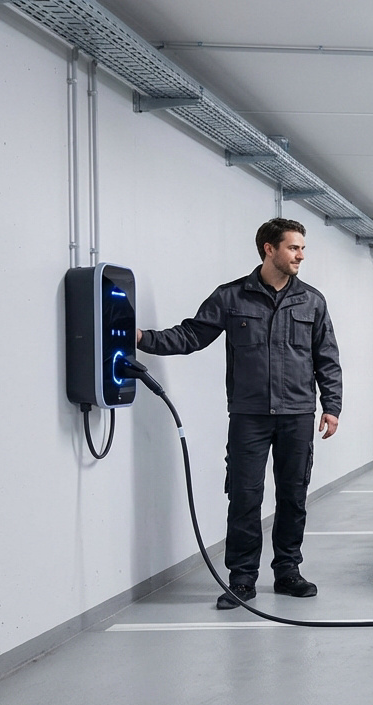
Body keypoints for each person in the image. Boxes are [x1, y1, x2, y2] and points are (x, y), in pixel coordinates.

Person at [137, 218, 342, 609]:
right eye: (293, 247)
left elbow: (326, 357)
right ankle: (242, 580)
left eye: (302, 248)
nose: (300, 255)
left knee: (293, 496)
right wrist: (144, 339)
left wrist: (331, 406)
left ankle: (288, 572)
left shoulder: (312, 301)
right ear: (269, 249)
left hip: (297, 414)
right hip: (250, 416)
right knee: (245, 497)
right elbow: (192, 334)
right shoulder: (231, 297)